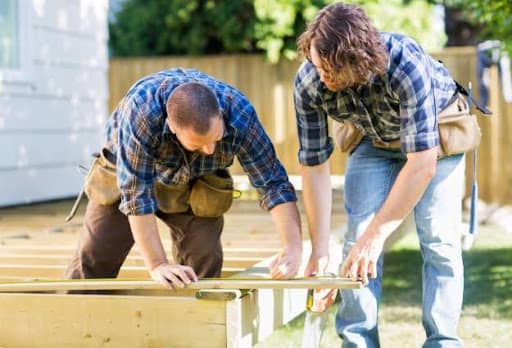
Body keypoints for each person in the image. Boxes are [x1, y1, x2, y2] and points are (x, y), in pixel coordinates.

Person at [294, 3, 466, 347]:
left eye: (330, 68)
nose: (321, 75)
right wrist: (319, 250)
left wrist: (377, 236)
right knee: (355, 238)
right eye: (316, 63)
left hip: (435, 143)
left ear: (358, 59)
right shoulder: (310, 83)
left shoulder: (405, 64)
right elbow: (314, 165)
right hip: (373, 141)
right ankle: (358, 341)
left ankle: (442, 340)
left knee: (439, 240)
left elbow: (422, 164)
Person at [65, 68, 303, 289]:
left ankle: (194, 329)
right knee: (93, 261)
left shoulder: (240, 114)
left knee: (204, 264)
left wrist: (292, 247)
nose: (210, 149)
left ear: (220, 113)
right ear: (172, 128)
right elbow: (137, 196)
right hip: (125, 176)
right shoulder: (142, 112)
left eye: (216, 137)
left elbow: (273, 183)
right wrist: (157, 264)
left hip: (197, 179)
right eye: (199, 143)